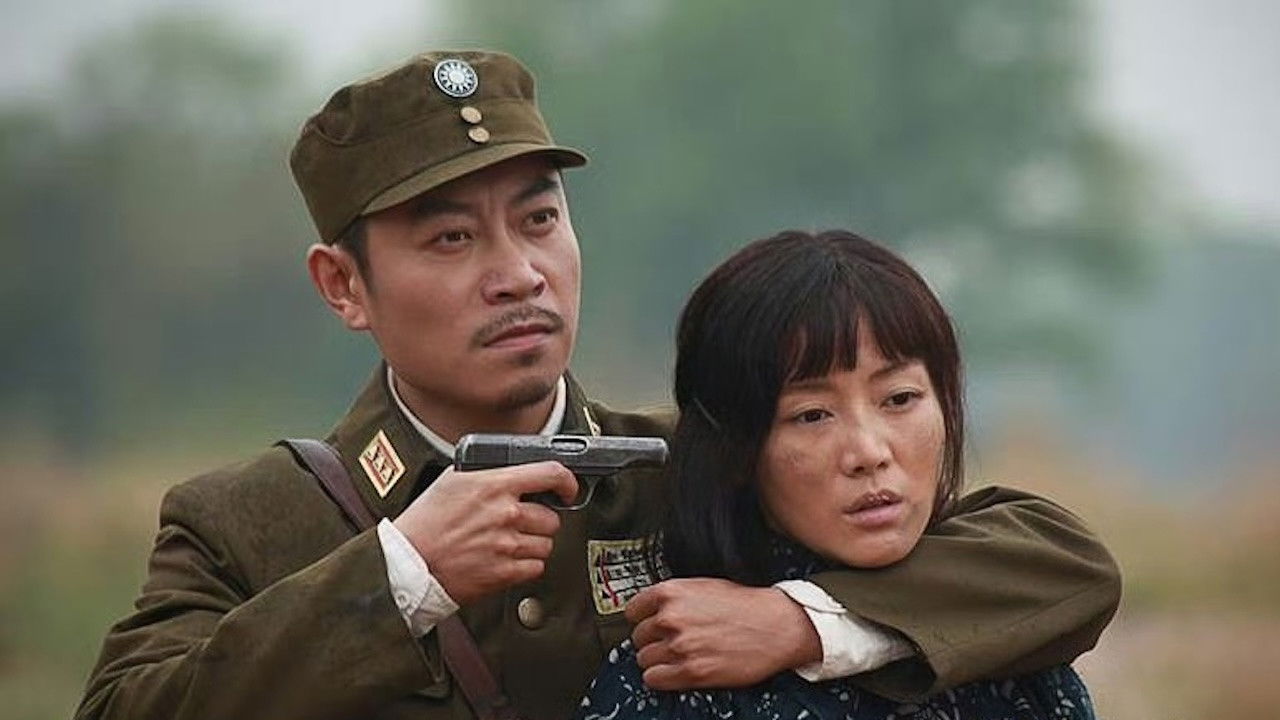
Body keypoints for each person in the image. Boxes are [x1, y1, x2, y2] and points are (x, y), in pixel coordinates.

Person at [75, 51, 1119, 720]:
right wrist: (401, 574)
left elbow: (1050, 567)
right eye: (451, 239)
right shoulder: (250, 523)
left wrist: (798, 624)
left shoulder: (701, 465)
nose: (518, 273)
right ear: (344, 286)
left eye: (538, 220)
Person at [578, 230, 1102, 720]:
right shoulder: (682, 669)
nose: (869, 452)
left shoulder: (1008, 643)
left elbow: (1084, 568)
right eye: (812, 415)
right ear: (733, 449)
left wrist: (799, 626)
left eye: (900, 398)